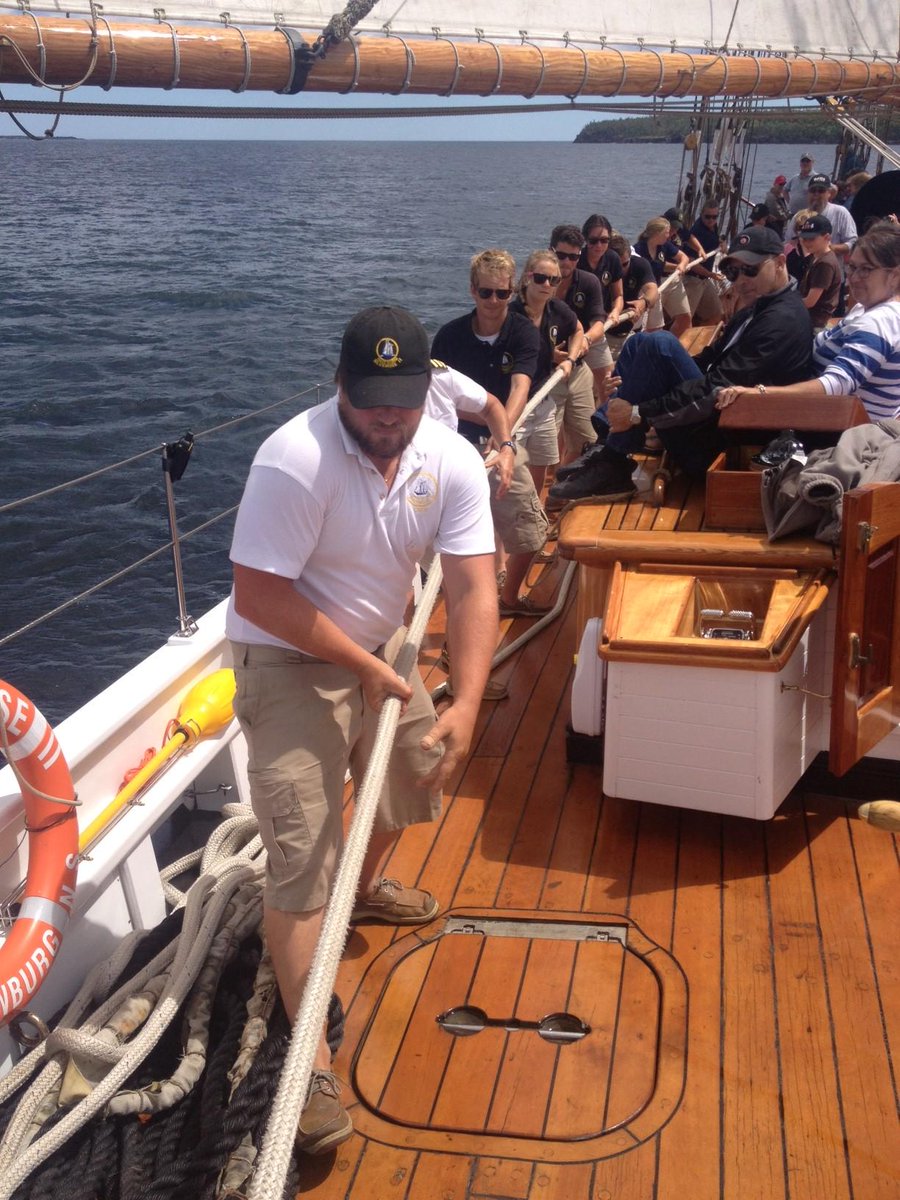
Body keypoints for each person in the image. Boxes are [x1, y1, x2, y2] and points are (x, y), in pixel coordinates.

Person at [226, 305, 498, 1154]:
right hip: (287, 659)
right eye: (370, 397)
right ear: (339, 384)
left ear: (429, 389)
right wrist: (373, 670)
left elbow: (472, 587)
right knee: (304, 860)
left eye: (404, 398)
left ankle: (367, 887)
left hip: (377, 646)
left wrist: (465, 701)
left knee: (418, 769)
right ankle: (307, 1061)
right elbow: (259, 596)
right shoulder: (295, 462)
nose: (388, 416)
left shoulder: (450, 458)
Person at [547, 226, 813, 502]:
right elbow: (713, 360)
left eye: (751, 270)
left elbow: (718, 388)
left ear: (781, 262)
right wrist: (642, 382)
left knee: (657, 343)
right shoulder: (763, 306)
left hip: (729, 437)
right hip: (719, 417)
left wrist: (639, 412)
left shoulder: (781, 321)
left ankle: (615, 455)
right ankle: (610, 445)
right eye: (734, 272)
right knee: (641, 345)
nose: (741, 280)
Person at [431, 249, 552, 618]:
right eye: (486, 293)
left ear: (513, 291)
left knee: (533, 531)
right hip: (457, 443)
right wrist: (486, 418)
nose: (494, 301)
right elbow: (439, 399)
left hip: (501, 442)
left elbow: (519, 389)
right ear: (472, 291)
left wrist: (502, 440)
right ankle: (454, 633)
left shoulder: (524, 334)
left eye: (502, 293)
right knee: (451, 546)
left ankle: (510, 598)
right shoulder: (449, 338)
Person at [717, 221, 900, 422]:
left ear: (894, 276)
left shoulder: (879, 322)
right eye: (852, 267)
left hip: (834, 429)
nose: (854, 278)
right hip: (821, 415)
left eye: (865, 270)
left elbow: (836, 384)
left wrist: (759, 393)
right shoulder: (863, 311)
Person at [509, 249, 584, 494]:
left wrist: (570, 360)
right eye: (541, 278)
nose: (547, 285)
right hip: (515, 406)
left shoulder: (556, 309)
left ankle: (538, 523)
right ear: (527, 277)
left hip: (543, 402)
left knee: (540, 472)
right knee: (510, 478)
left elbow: (578, 330)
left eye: (554, 280)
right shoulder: (510, 315)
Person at [548, 223, 608, 457]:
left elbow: (598, 323)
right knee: (546, 445)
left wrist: (584, 341)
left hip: (579, 367)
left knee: (586, 439)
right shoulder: (537, 282)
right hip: (547, 373)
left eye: (573, 257)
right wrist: (549, 354)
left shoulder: (588, 282)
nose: (566, 262)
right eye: (561, 255)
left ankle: (565, 485)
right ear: (550, 251)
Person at [633, 216, 692, 339]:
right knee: (640, 330)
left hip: (657, 292)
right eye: (666, 233)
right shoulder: (638, 250)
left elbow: (684, 257)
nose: (669, 236)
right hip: (642, 294)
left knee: (657, 328)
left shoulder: (665, 246)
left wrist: (681, 266)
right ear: (657, 233)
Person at [784, 174, 858, 259]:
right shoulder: (799, 216)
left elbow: (853, 243)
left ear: (829, 193)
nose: (816, 194)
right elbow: (788, 242)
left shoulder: (841, 212)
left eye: (821, 191)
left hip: (829, 267)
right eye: (813, 190)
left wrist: (829, 248)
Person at [795, 214, 842, 331]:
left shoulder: (825, 264)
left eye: (811, 239)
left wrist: (786, 304)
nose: (806, 242)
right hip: (807, 319)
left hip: (815, 324)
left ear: (827, 237)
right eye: (804, 238)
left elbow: (810, 302)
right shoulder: (816, 256)